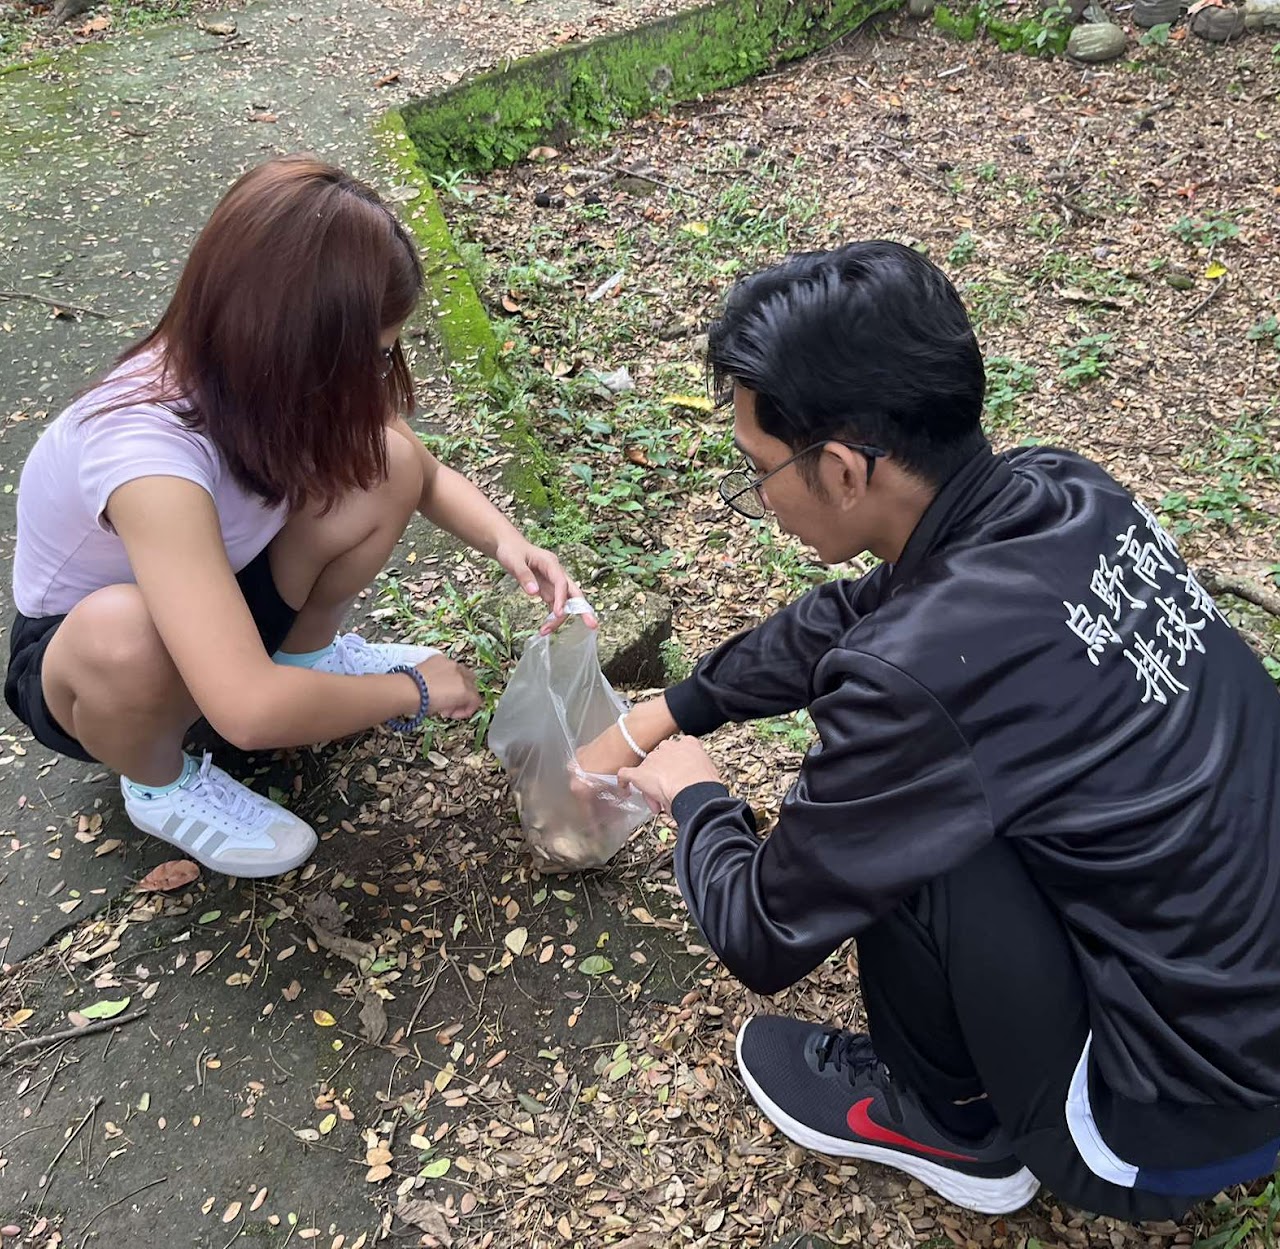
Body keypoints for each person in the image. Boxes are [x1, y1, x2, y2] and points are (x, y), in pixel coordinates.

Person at [577, 241, 1280, 1220]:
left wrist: (693, 795)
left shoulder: (911, 686)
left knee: (910, 836)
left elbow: (763, 930)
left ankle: (950, 1126)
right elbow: (847, 614)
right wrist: (670, 709)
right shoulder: (1061, 492)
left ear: (839, 468)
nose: (761, 499)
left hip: (1162, 1116)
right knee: (938, 801)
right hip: (1245, 1021)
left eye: (759, 471)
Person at [6, 155, 590, 880]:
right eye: (377, 354)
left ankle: (304, 663)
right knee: (124, 636)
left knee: (388, 461)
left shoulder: (263, 379)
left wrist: (511, 542)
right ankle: (158, 780)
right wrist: (412, 692)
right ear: (300, 346)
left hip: (222, 588)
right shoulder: (145, 456)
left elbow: (424, 472)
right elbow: (246, 709)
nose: (385, 372)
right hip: (91, 666)